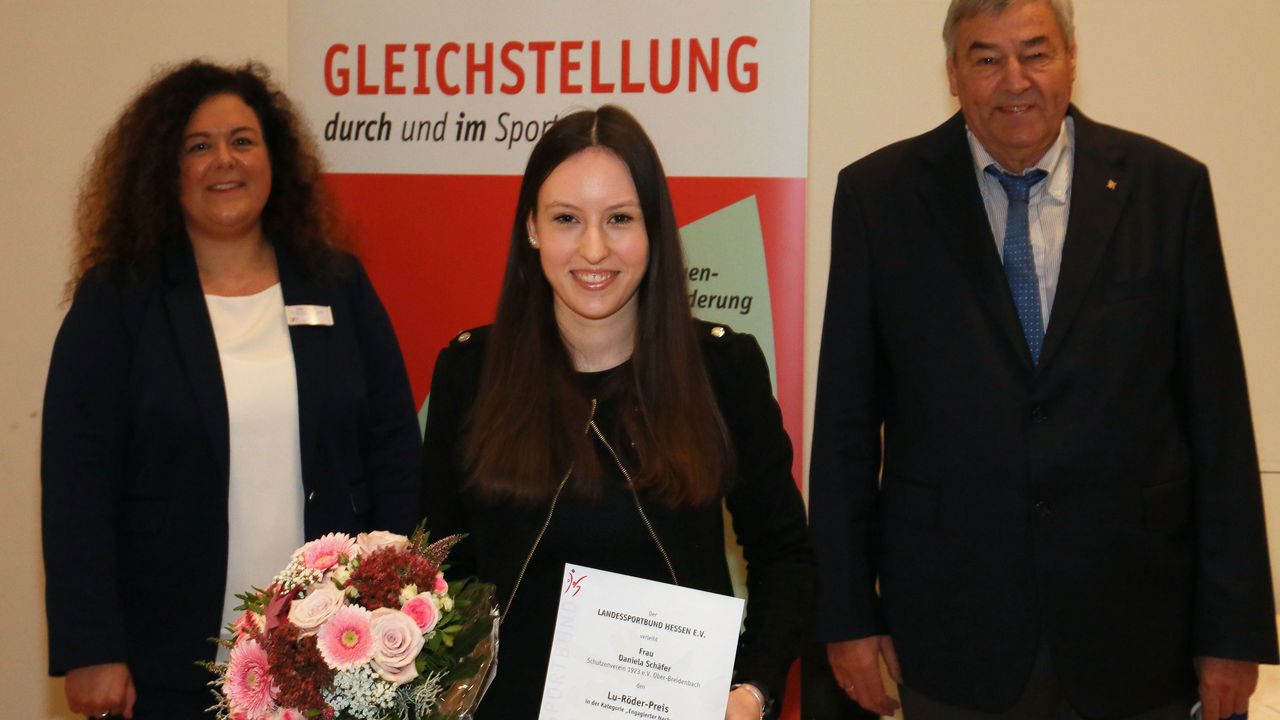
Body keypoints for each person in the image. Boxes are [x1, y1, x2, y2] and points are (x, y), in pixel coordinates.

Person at [809, 1, 1278, 719]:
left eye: (1036, 52)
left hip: (1139, 636)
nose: (1015, 80)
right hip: (950, 637)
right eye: (986, 58)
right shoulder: (879, 198)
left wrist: (1235, 629)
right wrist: (845, 618)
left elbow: (1219, 424)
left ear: (1071, 58)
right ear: (952, 74)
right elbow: (844, 428)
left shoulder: (1167, 189)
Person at [41, 60, 422, 719]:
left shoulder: (337, 285)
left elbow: (393, 447)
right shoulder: (118, 300)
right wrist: (91, 645)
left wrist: (401, 604)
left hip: (332, 657)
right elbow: (77, 484)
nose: (225, 160)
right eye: (198, 145)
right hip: (167, 665)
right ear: (166, 169)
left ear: (273, 159)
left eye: (243, 140)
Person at [420, 105, 815, 719]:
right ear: (532, 228)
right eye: (567, 220)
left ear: (654, 228)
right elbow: (440, 562)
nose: (595, 249)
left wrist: (753, 690)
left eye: (620, 219)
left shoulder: (723, 370)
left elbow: (784, 553)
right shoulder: (470, 372)